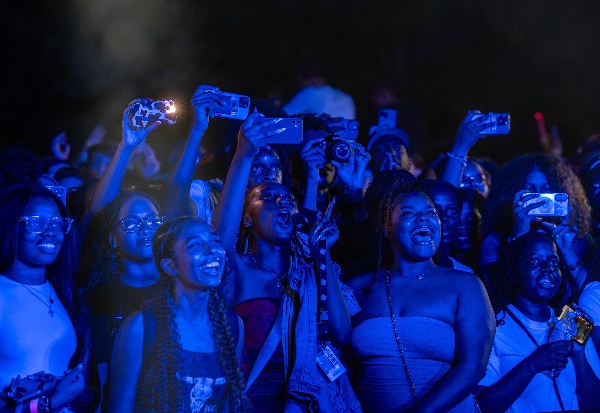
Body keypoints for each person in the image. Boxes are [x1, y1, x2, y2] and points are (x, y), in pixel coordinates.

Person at [213, 112, 362, 412]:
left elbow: (342, 334)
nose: (281, 204)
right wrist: (244, 154)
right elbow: (221, 238)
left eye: (287, 201)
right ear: (246, 217)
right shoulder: (237, 268)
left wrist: (323, 254)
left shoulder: (312, 268)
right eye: (267, 198)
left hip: (308, 403)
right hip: (252, 403)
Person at [348, 171, 495, 412]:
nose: (423, 219)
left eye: (430, 212)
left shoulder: (465, 285)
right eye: (408, 213)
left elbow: (473, 367)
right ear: (386, 228)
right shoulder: (358, 287)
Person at [109, 217, 251, 412]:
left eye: (214, 241)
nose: (212, 251)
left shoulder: (232, 326)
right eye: (195, 245)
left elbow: (228, 405)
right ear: (170, 266)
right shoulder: (140, 327)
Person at [477, 230, 600, 412]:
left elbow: (595, 405)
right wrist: (532, 364)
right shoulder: (492, 328)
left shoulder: (571, 323)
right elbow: (482, 406)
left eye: (554, 262)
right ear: (514, 271)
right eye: (534, 260)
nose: (547, 268)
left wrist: (579, 355)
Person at [0, 184, 96, 412]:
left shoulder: (66, 293)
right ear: (11, 225)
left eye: (57, 223)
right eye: (36, 222)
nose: (50, 231)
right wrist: (47, 404)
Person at [480, 153, 593, 292]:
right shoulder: (495, 241)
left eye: (546, 189)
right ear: (512, 194)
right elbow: (494, 290)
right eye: (530, 189)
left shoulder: (576, 239)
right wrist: (518, 235)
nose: (540, 198)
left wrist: (568, 252)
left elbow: (592, 296)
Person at [282, 58, 356, 119]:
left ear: (310, 79)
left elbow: (279, 117)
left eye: (299, 81)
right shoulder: (347, 98)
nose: (298, 86)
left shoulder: (311, 93)